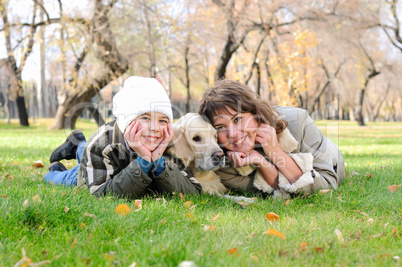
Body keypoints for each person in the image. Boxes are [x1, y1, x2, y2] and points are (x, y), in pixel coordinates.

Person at [44, 76, 201, 199]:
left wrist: (159, 162)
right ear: (127, 121)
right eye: (145, 118)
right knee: (68, 178)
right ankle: (56, 170)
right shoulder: (101, 144)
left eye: (162, 120)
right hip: (101, 170)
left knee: (86, 153)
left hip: (107, 164)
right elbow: (100, 195)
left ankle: (77, 143)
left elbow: (192, 192)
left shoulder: (169, 142)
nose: (154, 128)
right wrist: (145, 161)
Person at [198, 79, 345, 199]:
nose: (233, 134)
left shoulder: (299, 122)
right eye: (220, 127)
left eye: (238, 119)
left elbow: (327, 186)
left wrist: (275, 151)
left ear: (255, 112)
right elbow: (275, 192)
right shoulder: (225, 167)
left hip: (329, 154)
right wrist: (262, 162)